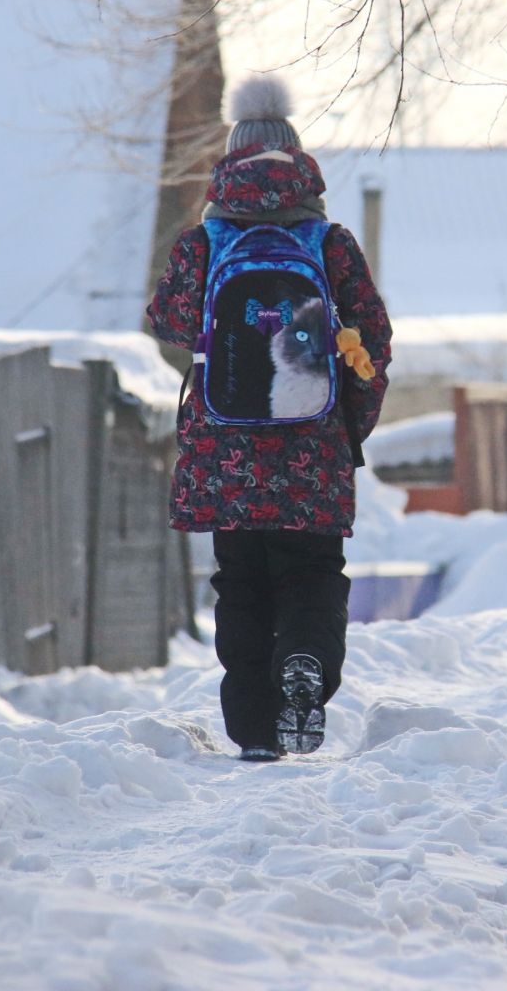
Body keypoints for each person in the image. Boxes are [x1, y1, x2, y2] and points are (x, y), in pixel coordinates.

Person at [147, 74, 391, 761]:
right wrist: (348, 428)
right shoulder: (330, 242)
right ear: (298, 160)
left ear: (230, 160)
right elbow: (373, 339)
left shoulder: (205, 242)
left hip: (226, 452)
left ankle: (255, 729)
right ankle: (305, 664)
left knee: (242, 580)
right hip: (309, 442)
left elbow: (166, 321)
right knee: (311, 574)